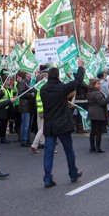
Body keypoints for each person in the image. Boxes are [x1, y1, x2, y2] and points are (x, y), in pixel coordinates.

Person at [40, 59, 85, 188]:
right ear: (58, 76)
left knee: (48, 153)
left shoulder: (43, 89)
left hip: (49, 124)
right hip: (63, 123)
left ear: (48, 76)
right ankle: (73, 173)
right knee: (69, 151)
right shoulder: (62, 88)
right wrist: (80, 67)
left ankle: (47, 178)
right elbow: (77, 82)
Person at [87, 78, 109, 153]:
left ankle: (92, 147)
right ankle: (98, 147)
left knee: (93, 131)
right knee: (98, 131)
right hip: (98, 113)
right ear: (94, 85)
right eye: (98, 84)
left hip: (91, 112)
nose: (100, 85)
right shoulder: (97, 93)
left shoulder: (89, 92)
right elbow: (102, 102)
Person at [29, 72, 47, 154]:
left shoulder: (39, 87)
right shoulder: (44, 87)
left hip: (39, 109)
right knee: (44, 128)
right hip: (44, 109)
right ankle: (35, 144)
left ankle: (43, 143)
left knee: (41, 128)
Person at [16, 71, 34, 147]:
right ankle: (24, 140)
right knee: (25, 124)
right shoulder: (22, 83)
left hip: (29, 106)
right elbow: (20, 94)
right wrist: (30, 94)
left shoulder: (29, 82)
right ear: (26, 74)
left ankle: (27, 139)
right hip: (25, 106)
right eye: (30, 73)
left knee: (29, 124)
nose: (31, 74)